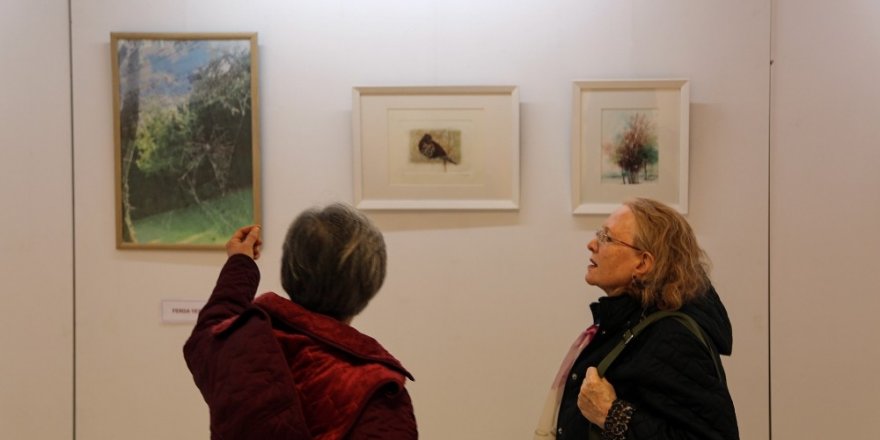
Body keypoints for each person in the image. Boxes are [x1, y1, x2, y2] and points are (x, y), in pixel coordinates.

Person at [184, 203, 417, 439]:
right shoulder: (380, 393)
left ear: (289, 271)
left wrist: (240, 262)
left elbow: (213, 321)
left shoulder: (234, 345)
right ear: (370, 285)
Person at [536, 198, 738, 440]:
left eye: (606, 238)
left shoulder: (671, 337)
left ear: (642, 263)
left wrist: (612, 415)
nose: (592, 244)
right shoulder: (625, 322)